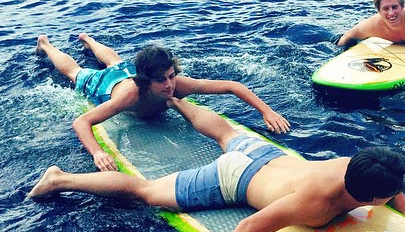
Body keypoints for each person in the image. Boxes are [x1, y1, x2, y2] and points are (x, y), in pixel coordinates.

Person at [28, 97, 405, 232]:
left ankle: (178, 101)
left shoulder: (364, 164)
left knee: (227, 134)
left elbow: (395, 187)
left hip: (269, 156)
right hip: (237, 177)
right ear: (369, 197)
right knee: (147, 193)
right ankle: (60, 179)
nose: (398, 194)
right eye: (390, 195)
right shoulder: (314, 202)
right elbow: (250, 226)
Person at [36, 33, 291, 171]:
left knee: (116, 61)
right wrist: (98, 152)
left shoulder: (177, 83)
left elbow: (232, 86)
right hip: (108, 85)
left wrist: (267, 112)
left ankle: (89, 40)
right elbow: (82, 121)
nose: (169, 85)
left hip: (128, 71)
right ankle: (46, 45)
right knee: (76, 72)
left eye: (171, 76)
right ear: (146, 81)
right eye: (161, 80)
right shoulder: (130, 96)